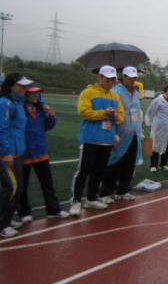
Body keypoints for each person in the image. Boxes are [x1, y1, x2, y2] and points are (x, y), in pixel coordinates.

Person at [69, 66, 124, 217]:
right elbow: (83, 111)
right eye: (108, 79)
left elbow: (121, 116)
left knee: (99, 171)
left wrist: (114, 116)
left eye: (113, 79)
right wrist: (103, 113)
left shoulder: (114, 97)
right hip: (91, 138)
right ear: (99, 77)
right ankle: (76, 200)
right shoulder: (88, 93)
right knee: (84, 170)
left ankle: (92, 198)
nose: (110, 82)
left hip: (106, 140)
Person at [19, 85, 69, 222]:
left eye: (37, 93)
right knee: (22, 186)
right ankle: (24, 212)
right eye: (32, 93)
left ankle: (54, 210)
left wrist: (52, 118)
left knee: (48, 184)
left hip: (41, 152)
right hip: (25, 154)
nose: (35, 96)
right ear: (26, 94)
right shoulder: (20, 109)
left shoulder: (40, 109)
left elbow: (47, 127)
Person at [100, 67, 143, 204]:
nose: (133, 80)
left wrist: (140, 131)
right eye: (130, 77)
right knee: (114, 163)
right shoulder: (115, 91)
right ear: (123, 77)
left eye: (134, 78)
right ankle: (106, 192)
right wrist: (112, 133)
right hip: (119, 134)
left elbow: (136, 112)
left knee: (129, 164)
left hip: (133, 133)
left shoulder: (135, 93)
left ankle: (123, 190)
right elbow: (109, 114)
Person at [0, 74, 35, 238]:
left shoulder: (18, 102)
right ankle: (2, 224)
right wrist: (6, 152)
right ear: (11, 86)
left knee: (17, 188)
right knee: (13, 187)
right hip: (8, 154)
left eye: (25, 86)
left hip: (18, 152)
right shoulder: (5, 103)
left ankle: (6, 219)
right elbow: (2, 129)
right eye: (20, 86)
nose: (24, 89)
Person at [146, 85, 168, 172]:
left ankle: (163, 164)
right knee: (156, 145)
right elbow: (151, 111)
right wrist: (150, 122)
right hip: (159, 128)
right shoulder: (158, 100)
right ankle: (153, 165)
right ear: (165, 92)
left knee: (167, 146)